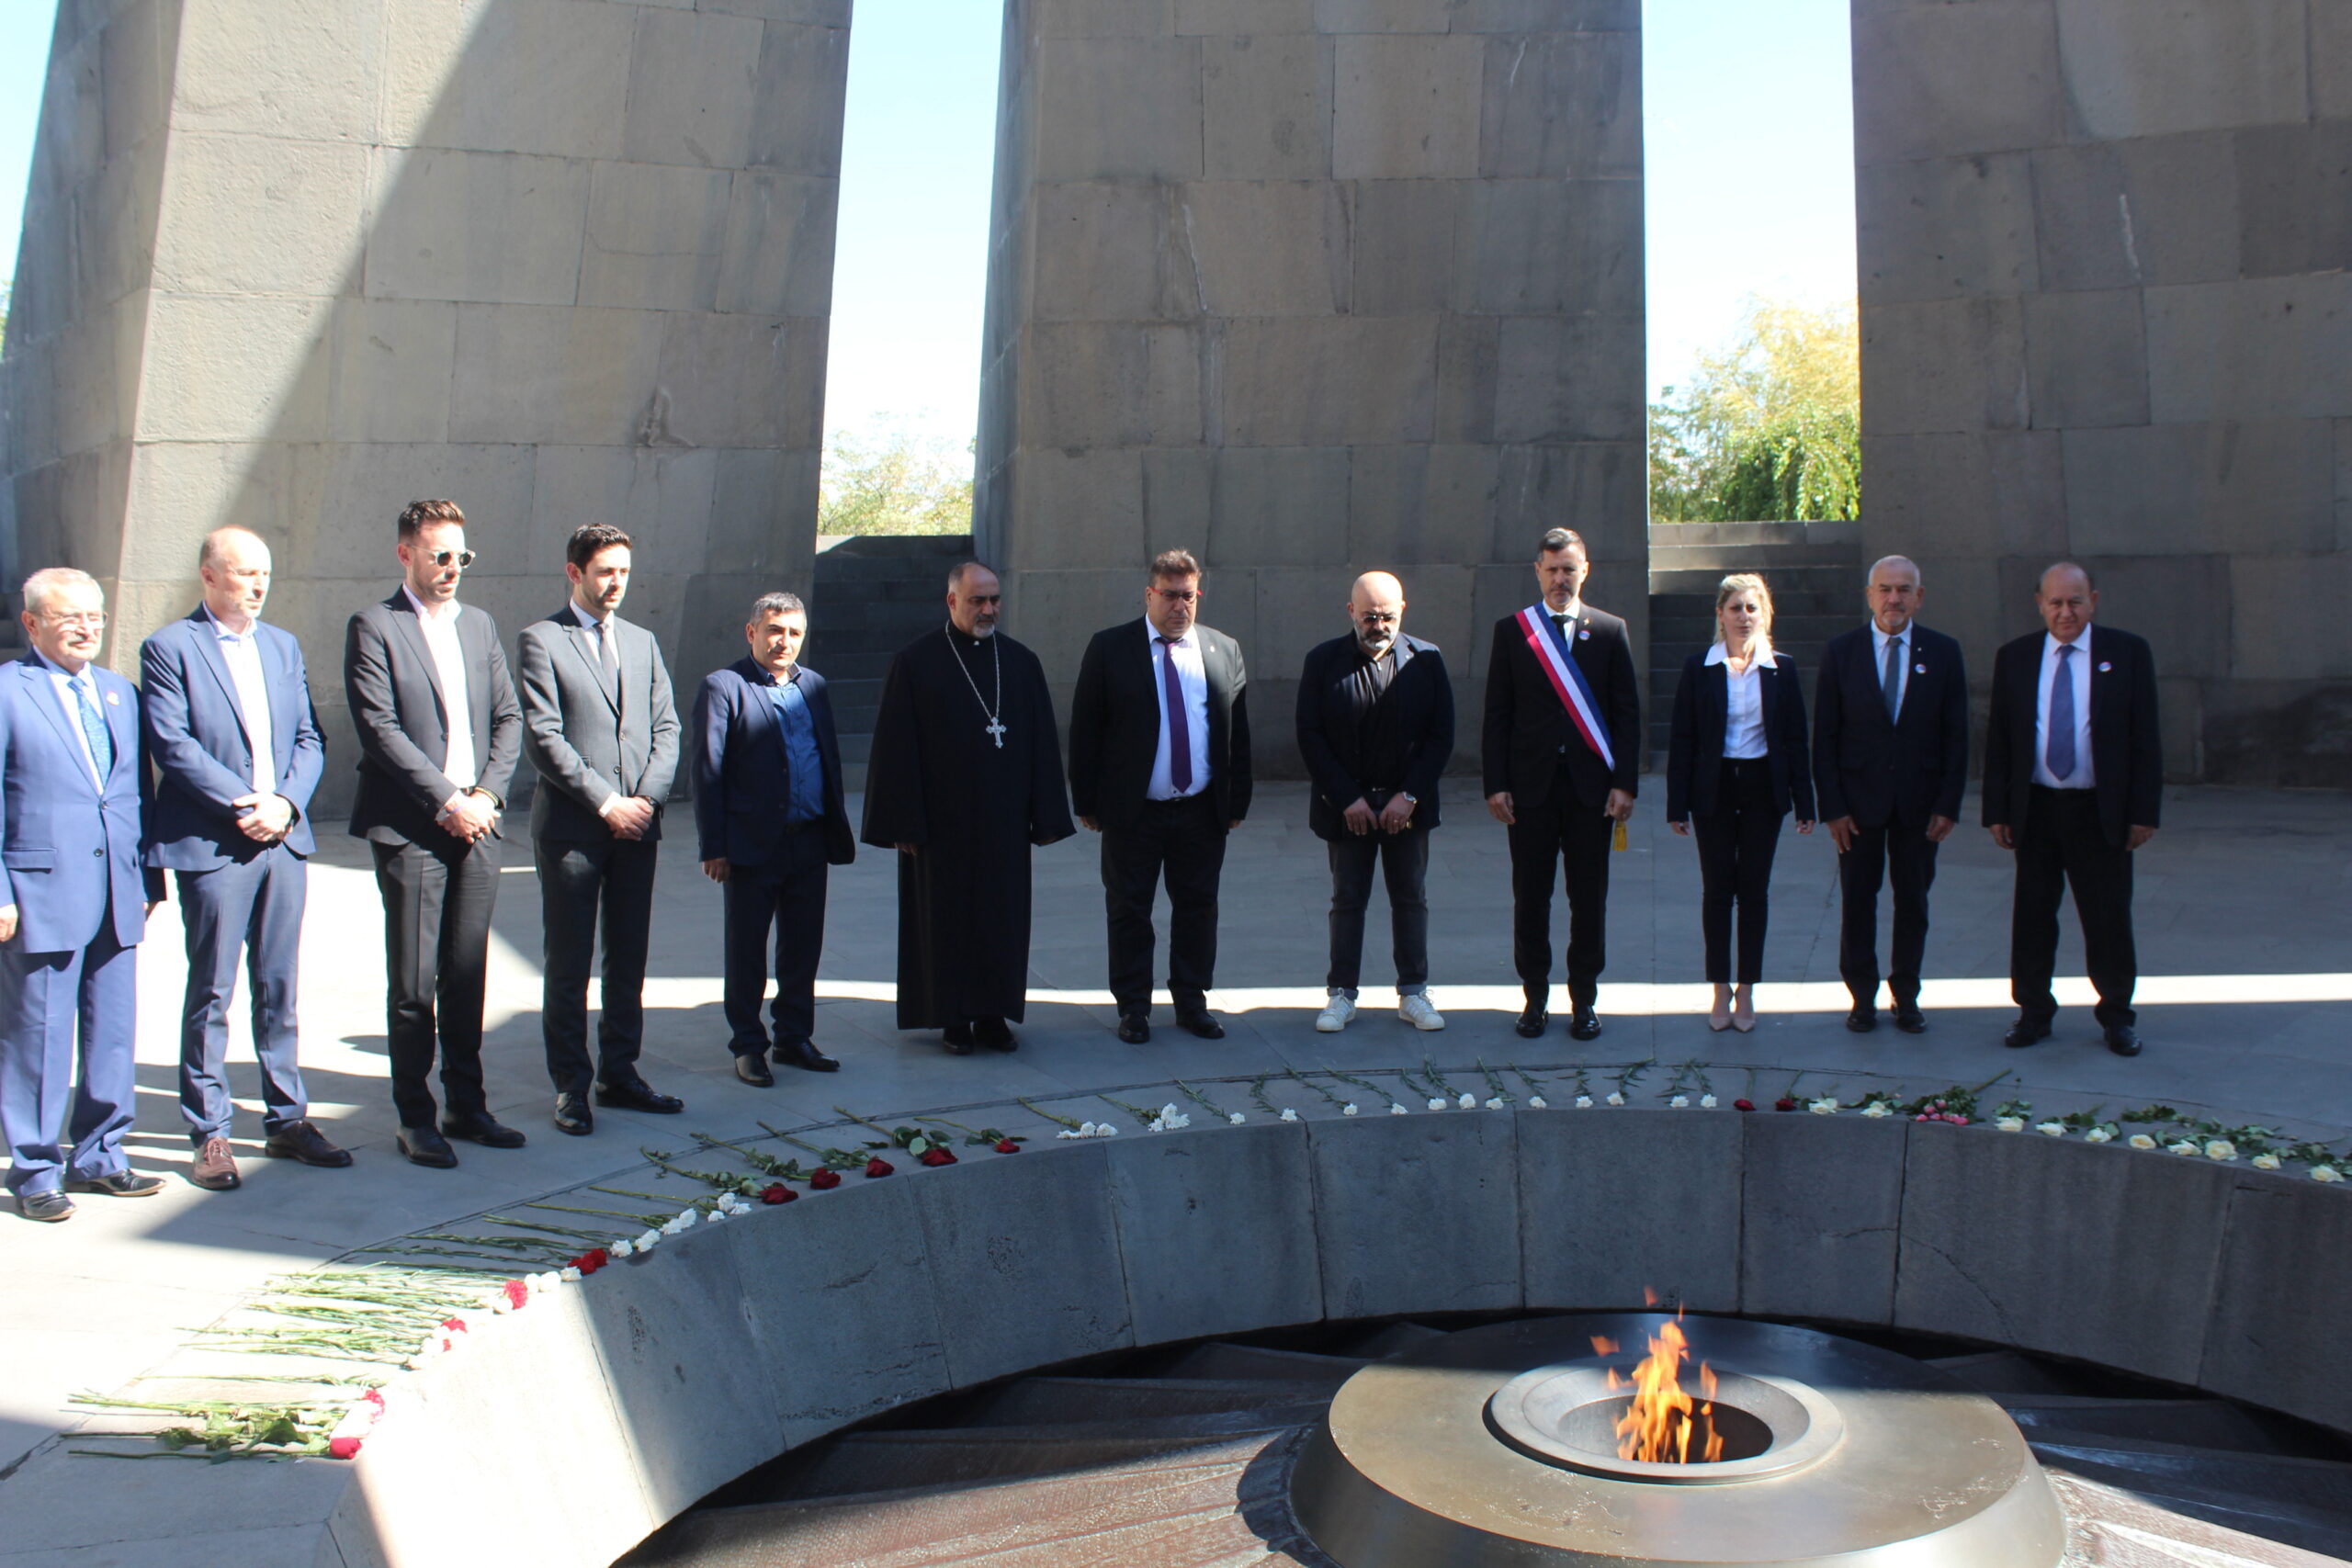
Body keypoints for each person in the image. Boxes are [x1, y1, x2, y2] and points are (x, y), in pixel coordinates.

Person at [141, 528, 347, 1192]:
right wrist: (244, 801)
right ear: (209, 576)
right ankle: (210, 1130)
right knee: (212, 990)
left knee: (279, 985)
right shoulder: (171, 647)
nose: (257, 586)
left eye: (265, 574)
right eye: (243, 574)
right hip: (217, 842)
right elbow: (172, 744)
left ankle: (286, 1118)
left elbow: (309, 737)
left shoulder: (281, 645)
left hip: (282, 839)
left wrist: (285, 802)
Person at [344, 499, 525, 1168]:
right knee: (415, 984)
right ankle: (414, 1116)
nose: (452, 567)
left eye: (461, 556)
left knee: (467, 972)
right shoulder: (374, 625)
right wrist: (448, 797)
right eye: (439, 555)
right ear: (406, 555)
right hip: (413, 828)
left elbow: (508, 717)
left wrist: (485, 794)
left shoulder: (478, 625)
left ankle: (467, 1104)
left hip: (478, 825)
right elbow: (379, 730)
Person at [0, 570, 164, 1222]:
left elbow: (137, 796)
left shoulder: (120, 693)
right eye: (70, 617)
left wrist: (149, 878)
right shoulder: (10, 692)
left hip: (118, 888)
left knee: (112, 1029)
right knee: (39, 1032)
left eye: (95, 616)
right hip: (41, 890)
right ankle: (35, 1166)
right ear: (32, 623)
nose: (86, 627)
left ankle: (101, 1153)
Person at [861, 562, 1074, 1055]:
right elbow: (896, 748)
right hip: (940, 825)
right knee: (946, 919)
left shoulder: (1020, 662)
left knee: (1002, 917)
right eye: (978, 600)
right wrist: (903, 822)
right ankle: (951, 1017)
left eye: (994, 600)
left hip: (1002, 821)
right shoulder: (915, 662)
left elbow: (1042, 741)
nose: (988, 609)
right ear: (952, 601)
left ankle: (993, 1014)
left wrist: (1045, 816)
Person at [517, 524, 684, 1134]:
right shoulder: (541, 640)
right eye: (604, 571)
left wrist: (644, 799)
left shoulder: (642, 641)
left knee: (628, 955)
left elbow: (667, 727)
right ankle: (571, 1085)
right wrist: (606, 802)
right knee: (569, 960)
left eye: (623, 572)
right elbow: (544, 737)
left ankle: (621, 1072)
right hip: (572, 829)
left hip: (637, 826)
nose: (615, 583)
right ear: (575, 572)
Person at [1068, 550, 1252, 1043]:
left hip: (1199, 811)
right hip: (1133, 813)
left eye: (1187, 596)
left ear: (1198, 596)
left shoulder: (1223, 650)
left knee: (1198, 908)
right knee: (1129, 909)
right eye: (1169, 595)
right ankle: (1133, 1009)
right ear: (1149, 595)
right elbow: (1086, 728)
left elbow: (1237, 735)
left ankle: (1192, 1002)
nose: (1179, 606)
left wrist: (1236, 804)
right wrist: (1086, 800)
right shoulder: (1111, 649)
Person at [1984, 562, 2161, 1057]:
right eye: (2056, 602)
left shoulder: (2126, 653)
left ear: (2093, 601)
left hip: (2099, 810)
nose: (2066, 612)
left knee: (2107, 917)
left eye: (2075, 601)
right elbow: (2000, 739)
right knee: (2033, 915)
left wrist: (2143, 812)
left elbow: (2146, 738)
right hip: (2036, 809)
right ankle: (2033, 1013)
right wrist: (1997, 808)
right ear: (2039, 603)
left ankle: (2117, 1017)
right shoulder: (2016, 657)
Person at [1482, 527, 1642, 1041]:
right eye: (1551, 569)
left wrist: (1625, 784)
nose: (1560, 579)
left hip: (1591, 793)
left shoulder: (1611, 630)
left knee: (1588, 898)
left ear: (1584, 571)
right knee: (1530, 898)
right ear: (1537, 571)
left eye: (1569, 569)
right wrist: (1496, 783)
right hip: (1529, 791)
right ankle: (1534, 999)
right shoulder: (1514, 632)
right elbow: (1497, 715)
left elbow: (1626, 715)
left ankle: (1584, 1000)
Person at [692, 592, 855, 1084]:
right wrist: (714, 845)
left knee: (803, 945)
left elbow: (826, 757)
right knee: (747, 949)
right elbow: (708, 769)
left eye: (794, 633)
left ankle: (793, 1037)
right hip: (750, 843)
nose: (784, 641)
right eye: (775, 631)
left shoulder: (815, 686)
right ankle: (748, 1044)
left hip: (808, 838)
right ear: (752, 633)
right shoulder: (724, 687)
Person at [1812, 555, 1967, 1035]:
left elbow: (1956, 735)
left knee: (1913, 901)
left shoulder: (1943, 652)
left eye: (1904, 590)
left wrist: (1947, 804)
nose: (1894, 599)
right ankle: (1862, 997)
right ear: (1870, 595)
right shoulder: (1843, 652)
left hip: (1920, 806)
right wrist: (1833, 807)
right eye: (1885, 589)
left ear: (1918, 597)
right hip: (1857, 806)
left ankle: (1907, 995)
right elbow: (1826, 738)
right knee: (1859, 900)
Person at [1295, 571, 1453, 1033]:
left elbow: (1441, 735)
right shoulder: (1322, 661)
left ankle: (1414, 992)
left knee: (1410, 898)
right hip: (1349, 809)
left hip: (1408, 807)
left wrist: (1410, 795)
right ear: (1351, 613)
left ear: (1402, 609)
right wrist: (1347, 797)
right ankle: (1341, 995)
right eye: (1368, 616)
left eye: (1387, 615)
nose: (1378, 624)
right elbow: (1310, 734)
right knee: (1348, 899)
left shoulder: (1427, 660)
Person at [1667, 574, 1815, 1032]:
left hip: (1762, 791)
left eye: (1752, 608)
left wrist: (1804, 802)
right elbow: (1684, 738)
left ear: (1764, 614)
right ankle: (1719, 990)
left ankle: (1747, 989)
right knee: (1717, 892)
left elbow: (1794, 738)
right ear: (1720, 615)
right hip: (1713, 791)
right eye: (1735, 608)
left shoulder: (1781, 669)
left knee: (1753, 893)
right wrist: (1677, 805)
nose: (1744, 617)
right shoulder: (1699, 667)